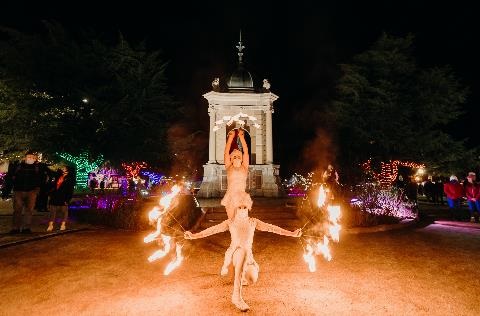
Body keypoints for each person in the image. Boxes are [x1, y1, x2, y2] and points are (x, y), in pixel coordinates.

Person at [184, 205, 302, 311]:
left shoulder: (253, 221)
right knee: (242, 251)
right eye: (239, 207)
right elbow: (212, 230)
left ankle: (242, 277)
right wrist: (194, 236)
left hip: (248, 258)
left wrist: (291, 233)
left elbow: (272, 228)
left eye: (244, 207)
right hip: (233, 256)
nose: (241, 209)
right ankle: (236, 296)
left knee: (251, 278)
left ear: (248, 208)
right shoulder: (230, 222)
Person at [1, 151, 44, 234]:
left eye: (33, 157)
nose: (31, 159)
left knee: (29, 210)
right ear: (25, 158)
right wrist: (8, 190)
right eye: (29, 157)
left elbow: (41, 179)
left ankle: (26, 228)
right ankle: (15, 228)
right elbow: (10, 178)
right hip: (18, 191)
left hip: (31, 191)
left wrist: (37, 189)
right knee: (17, 210)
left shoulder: (37, 168)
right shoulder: (18, 166)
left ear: (35, 159)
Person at [221, 128, 252, 219]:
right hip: (230, 196)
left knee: (242, 219)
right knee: (231, 219)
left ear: (242, 159)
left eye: (239, 156)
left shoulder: (244, 167)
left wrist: (241, 137)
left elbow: (246, 152)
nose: (237, 157)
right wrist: (230, 138)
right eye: (234, 156)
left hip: (242, 197)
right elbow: (226, 152)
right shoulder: (229, 167)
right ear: (230, 159)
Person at [47, 166, 76, 231]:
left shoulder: (70, 179)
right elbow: (53, 183)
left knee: (64, 212)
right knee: (52, 212)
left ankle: (63, 225)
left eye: (64, 168)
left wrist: (67, 199)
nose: (62, 169)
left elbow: (70, 191)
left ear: (68, 170)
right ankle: (50, 225)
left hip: (63, 197)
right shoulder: (58, 176)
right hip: (55, 196)